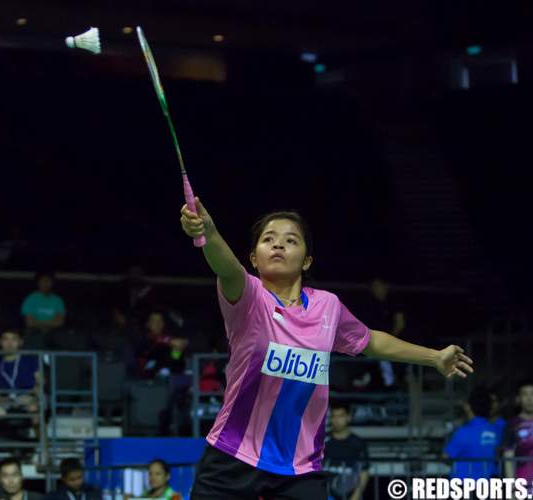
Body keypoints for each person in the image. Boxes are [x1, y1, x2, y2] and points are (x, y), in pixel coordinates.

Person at [180, 202, 473, 499]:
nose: (278, 243)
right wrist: (210, 232)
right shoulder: (249, 298)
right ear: (254, 258)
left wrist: (434, 357)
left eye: (291, 240)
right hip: (233, 456)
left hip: (299, 467)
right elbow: (227, 268)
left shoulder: (327, 307)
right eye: (268, 239)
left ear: (306, 261)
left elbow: (371, 341)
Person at [0, 327, 41, 442]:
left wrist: (33, 395)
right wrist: (2, 399)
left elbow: (40, 381)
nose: (9, 343)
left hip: (29, 398)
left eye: (14, 339)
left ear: (20, 342)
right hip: (7, 403)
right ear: (0, 342)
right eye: (6, 339)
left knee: (34, 407)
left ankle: (43, 449)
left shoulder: (30, 359)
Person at [444, 387, 501, 479]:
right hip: (489, 485)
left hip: (464, 486)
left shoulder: (463, 432)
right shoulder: (496, 430)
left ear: (468, 407)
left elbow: (446, 456)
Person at [323, 402, 370, 500]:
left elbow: (364, 472)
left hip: (350, 495)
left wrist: (355, 497)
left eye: (341, 416)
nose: (337, 420)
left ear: (348, 417)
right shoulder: (323, 441)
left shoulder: (358, 443)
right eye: (334, 416)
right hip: (326, 495)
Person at [135, 311, 189, 379]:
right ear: (147, 324)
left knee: (177, 351)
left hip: (166, 374)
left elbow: (175, 354)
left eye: (160, 321)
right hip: (145, 375)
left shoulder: (166, 338)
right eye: (154, 321)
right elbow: (158, 341)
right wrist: (170, 341)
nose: (158, 324)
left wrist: (177, 349)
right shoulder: (142, 339)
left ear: (163, 324)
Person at [22, 271, 66, 345]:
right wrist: (47, 324)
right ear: (38, 283)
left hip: (53, 331)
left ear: (52, 283)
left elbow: (60, 322)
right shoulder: (31, 299)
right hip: (34, 331)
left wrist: (42, 324)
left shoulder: (58, 300)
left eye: (48, 281)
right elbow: (29, 322)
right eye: (43, 281)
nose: (45, 284)